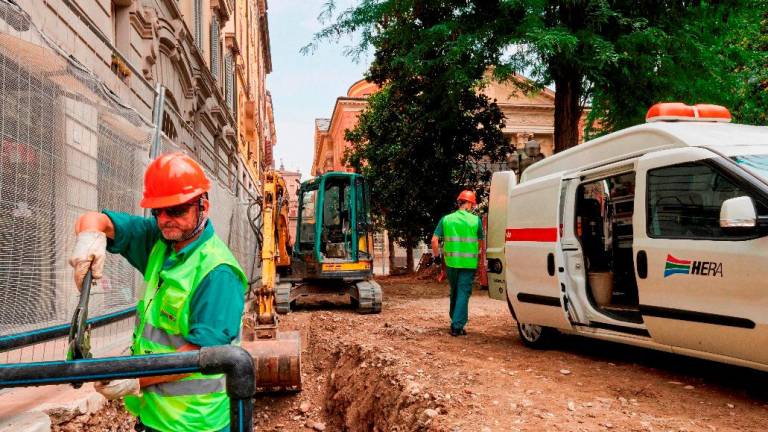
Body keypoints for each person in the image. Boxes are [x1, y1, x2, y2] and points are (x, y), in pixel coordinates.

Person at [68, 153, 247, 432]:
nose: (165, 219)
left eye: (176, 210)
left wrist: (134, 377)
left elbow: (200, 355)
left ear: (204, 206)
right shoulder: (160, 240)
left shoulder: (218, 272)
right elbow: (96, 219)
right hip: (155, 415)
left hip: (196, 423)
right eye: (157, 211)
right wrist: (89, 237)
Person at [431, 190, 484, 337]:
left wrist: (437, 258)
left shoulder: (446, 219)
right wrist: (478, 260)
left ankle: (455, 318)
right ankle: (457, 326)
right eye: (472, 204)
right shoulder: (475, 221)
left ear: (459, 202)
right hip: (468, 264)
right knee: (463, 293)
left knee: (455, 291)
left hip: (451, 263)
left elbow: (434, 241)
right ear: (469, 204)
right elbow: (480, 243)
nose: (473, 207)